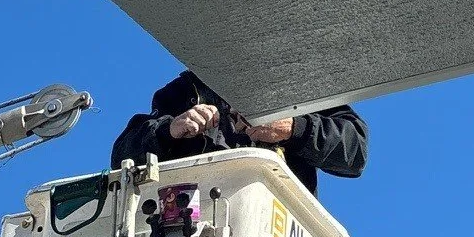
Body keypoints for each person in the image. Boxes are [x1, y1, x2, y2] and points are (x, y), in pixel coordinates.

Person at [110, 69, 367, 196]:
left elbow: (354, 150)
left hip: (276, 233)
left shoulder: (299, 87)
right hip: (194, 229)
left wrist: (293, 128)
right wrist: (169, 131)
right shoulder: (186, 90)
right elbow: (123, 159)